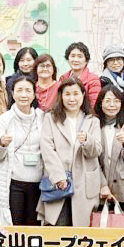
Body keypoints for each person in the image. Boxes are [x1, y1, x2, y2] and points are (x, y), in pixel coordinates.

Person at [38, 78, 104, 226]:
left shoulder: (92, 120)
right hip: (58, 184)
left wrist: (87, 140)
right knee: (58, 230)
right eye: (67, 94)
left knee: (81, 234)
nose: (72, 98)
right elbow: (47, 148)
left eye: (76, 94)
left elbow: (96, 150)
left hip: (84, 185)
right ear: (61, 96)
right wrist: (59, 176)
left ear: (83, 96)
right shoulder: (50, 118)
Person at [0, 75, 44, 226]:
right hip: (13, 182)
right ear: (13, 94)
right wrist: (1, 143)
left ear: (34, 94)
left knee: (33, 228)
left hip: (38, 183)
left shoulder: (42, 117)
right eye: (19, 90)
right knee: (14, 226)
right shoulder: (5, 119)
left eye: (28, 91)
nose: (23, 95)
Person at [95, 85, 124, 204]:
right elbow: (92, 159)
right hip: (98, 183)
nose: (112, 105)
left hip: (122, 185)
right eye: (108, 101)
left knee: (122, 221)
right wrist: (102, 184)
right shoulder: (94, 124)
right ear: (100, 103)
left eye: (116, 101)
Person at [59, 42, 102, 108]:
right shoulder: (63, 78)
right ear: (68, 59)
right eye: (73, 56)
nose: (75, 60)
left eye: (80, 56)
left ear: (86, 60)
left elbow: (94, 105)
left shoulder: (93, 80)